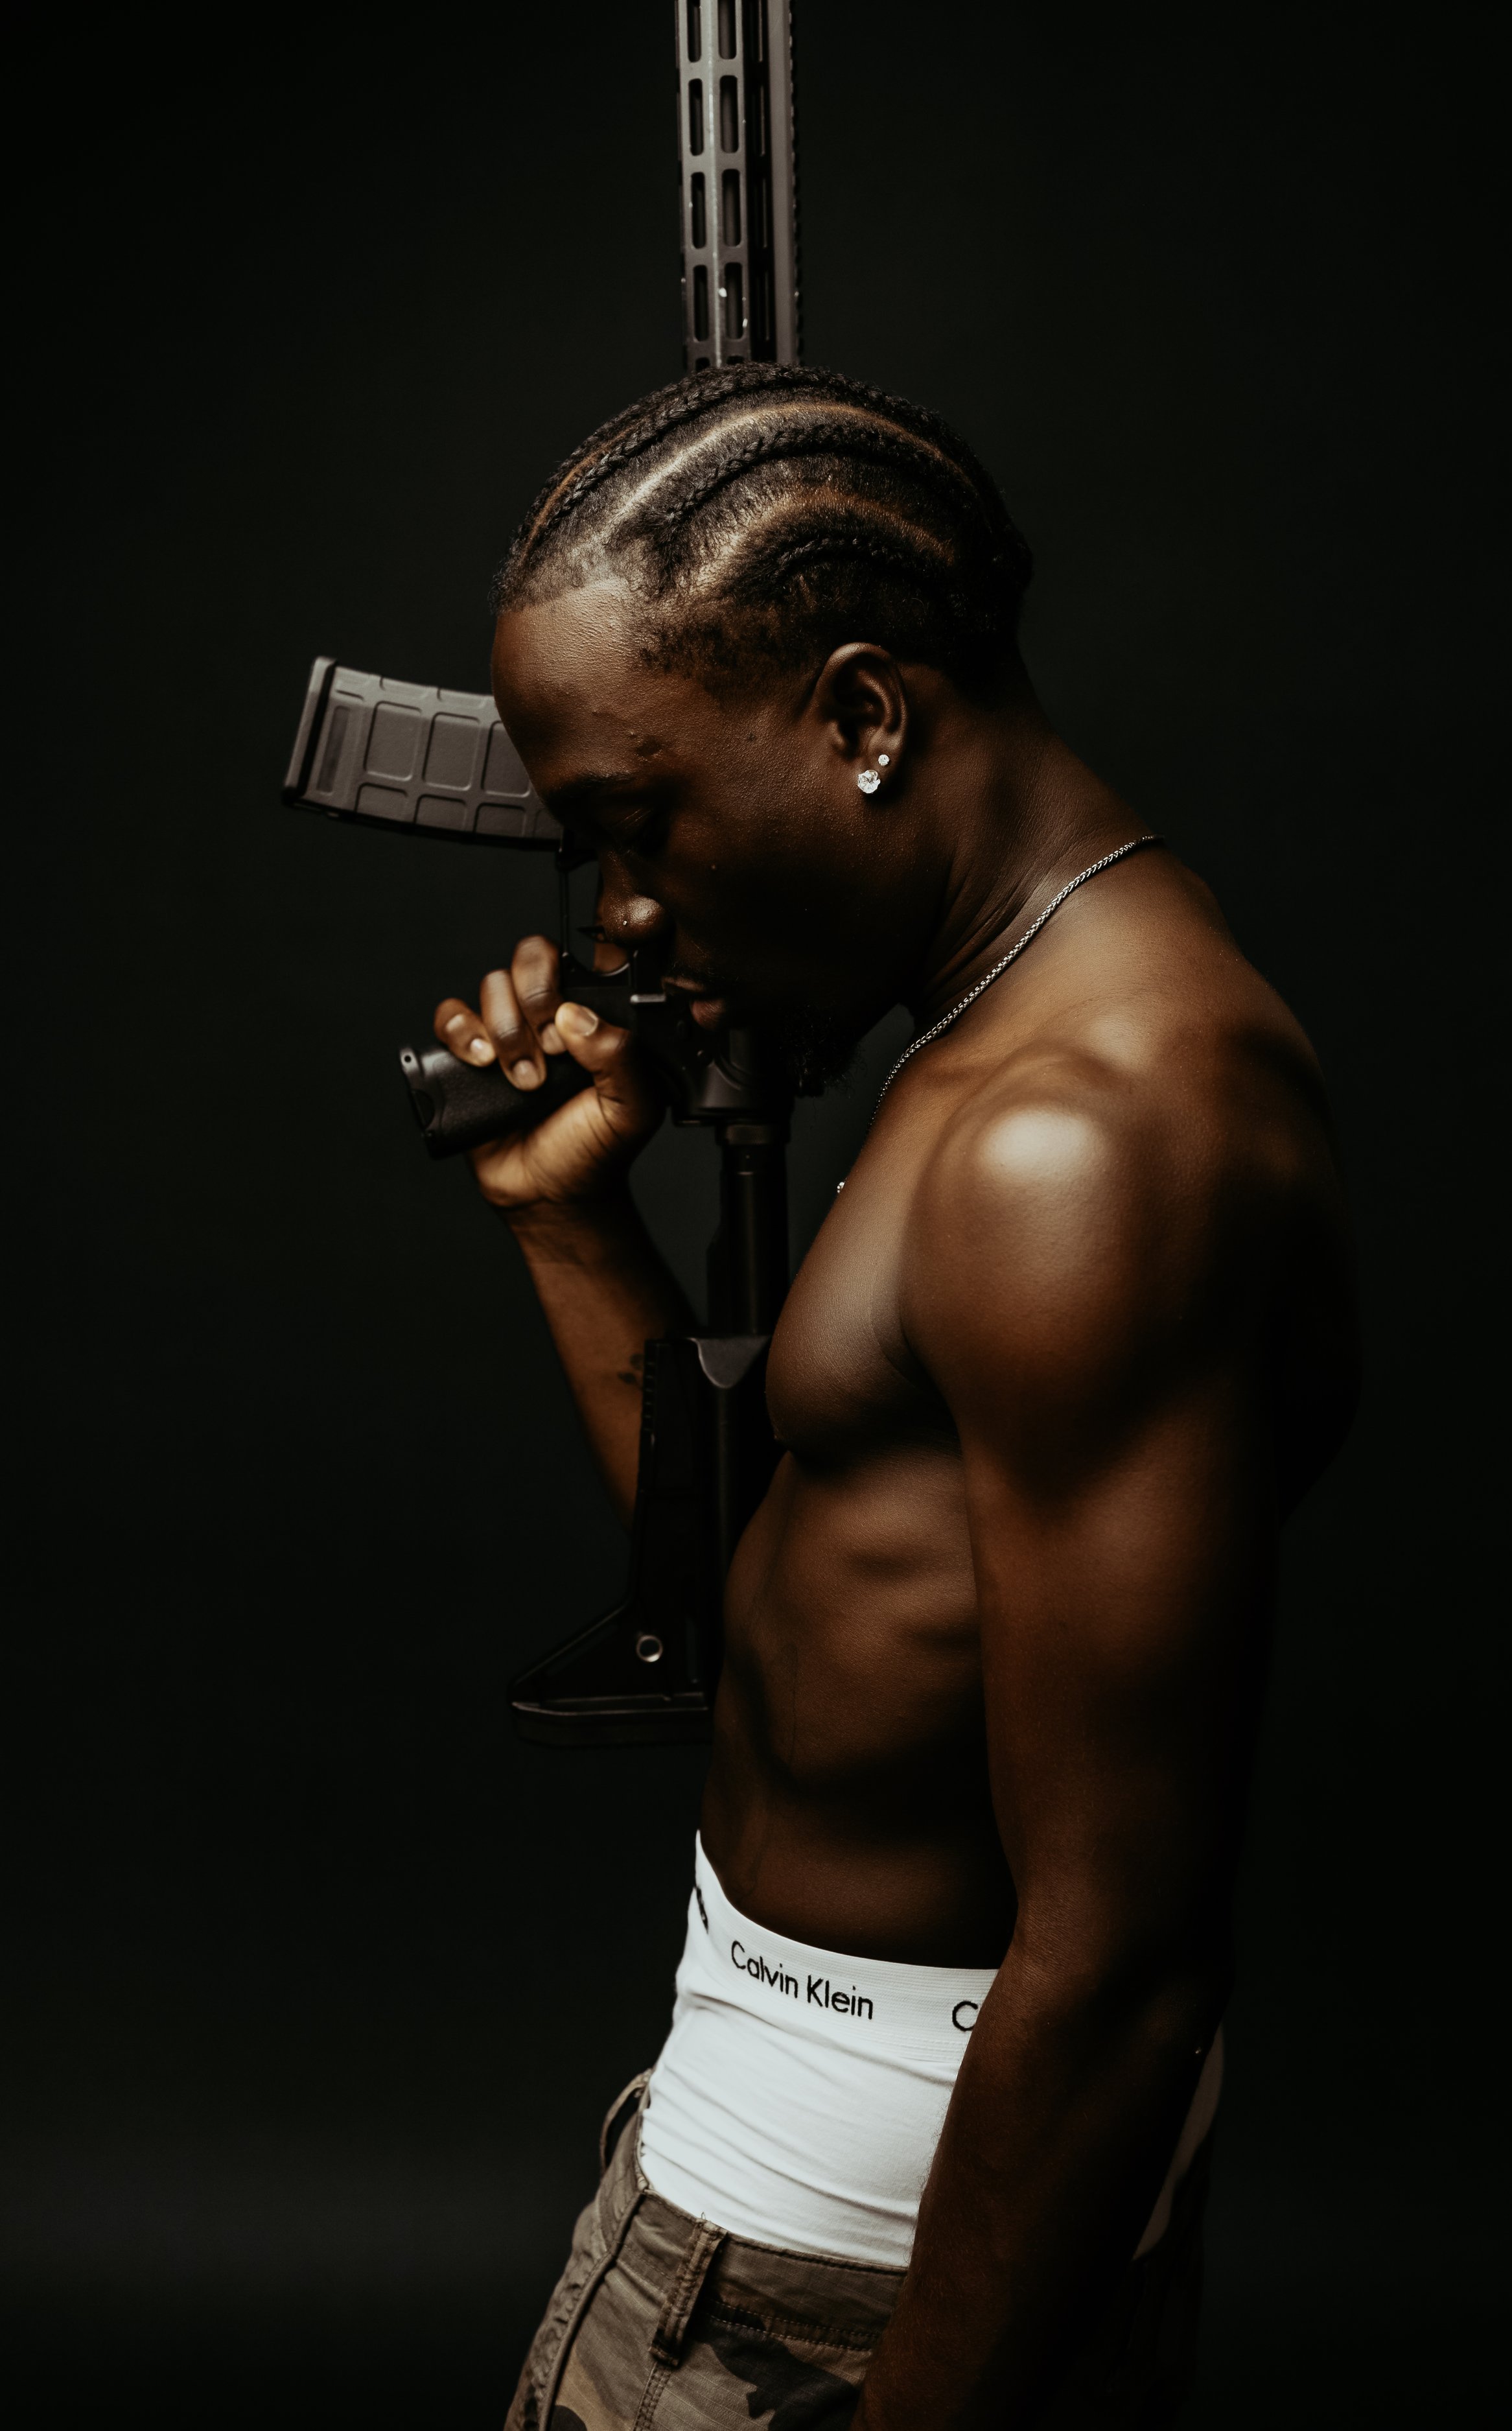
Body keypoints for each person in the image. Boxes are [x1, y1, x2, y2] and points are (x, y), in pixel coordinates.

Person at [430, 365, 1356, 2429]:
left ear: (861, 720)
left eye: (633, 825)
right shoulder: (1023, 1044)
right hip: (811, 2212)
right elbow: (788, 1614)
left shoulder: (1081, 1139)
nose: (621, 922)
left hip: (826, 2291)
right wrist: (571, 1224)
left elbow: (1120, 1962)